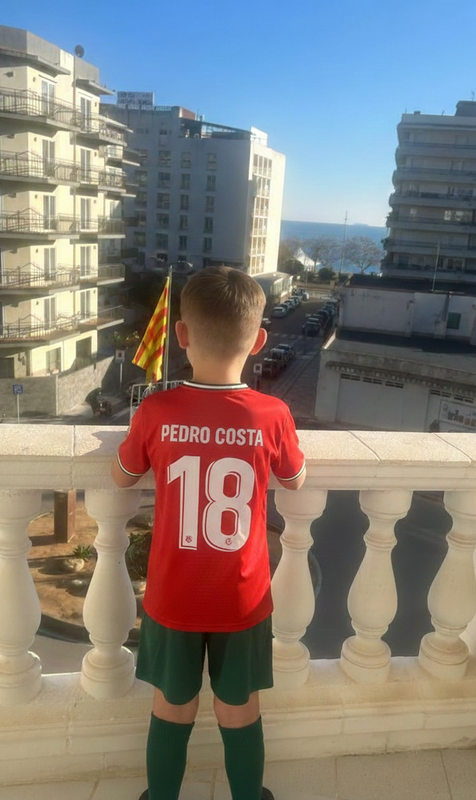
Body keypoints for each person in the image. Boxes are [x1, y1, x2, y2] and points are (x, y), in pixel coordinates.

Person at [111, 266, 307, 800]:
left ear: (181, 335)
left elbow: (123, 473)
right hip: (243, 598)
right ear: (259, 339)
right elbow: (294, 476)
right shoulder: (273, 415)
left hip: (173, 594)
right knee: (239, 708)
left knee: (171, 707)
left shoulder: (155, 410)